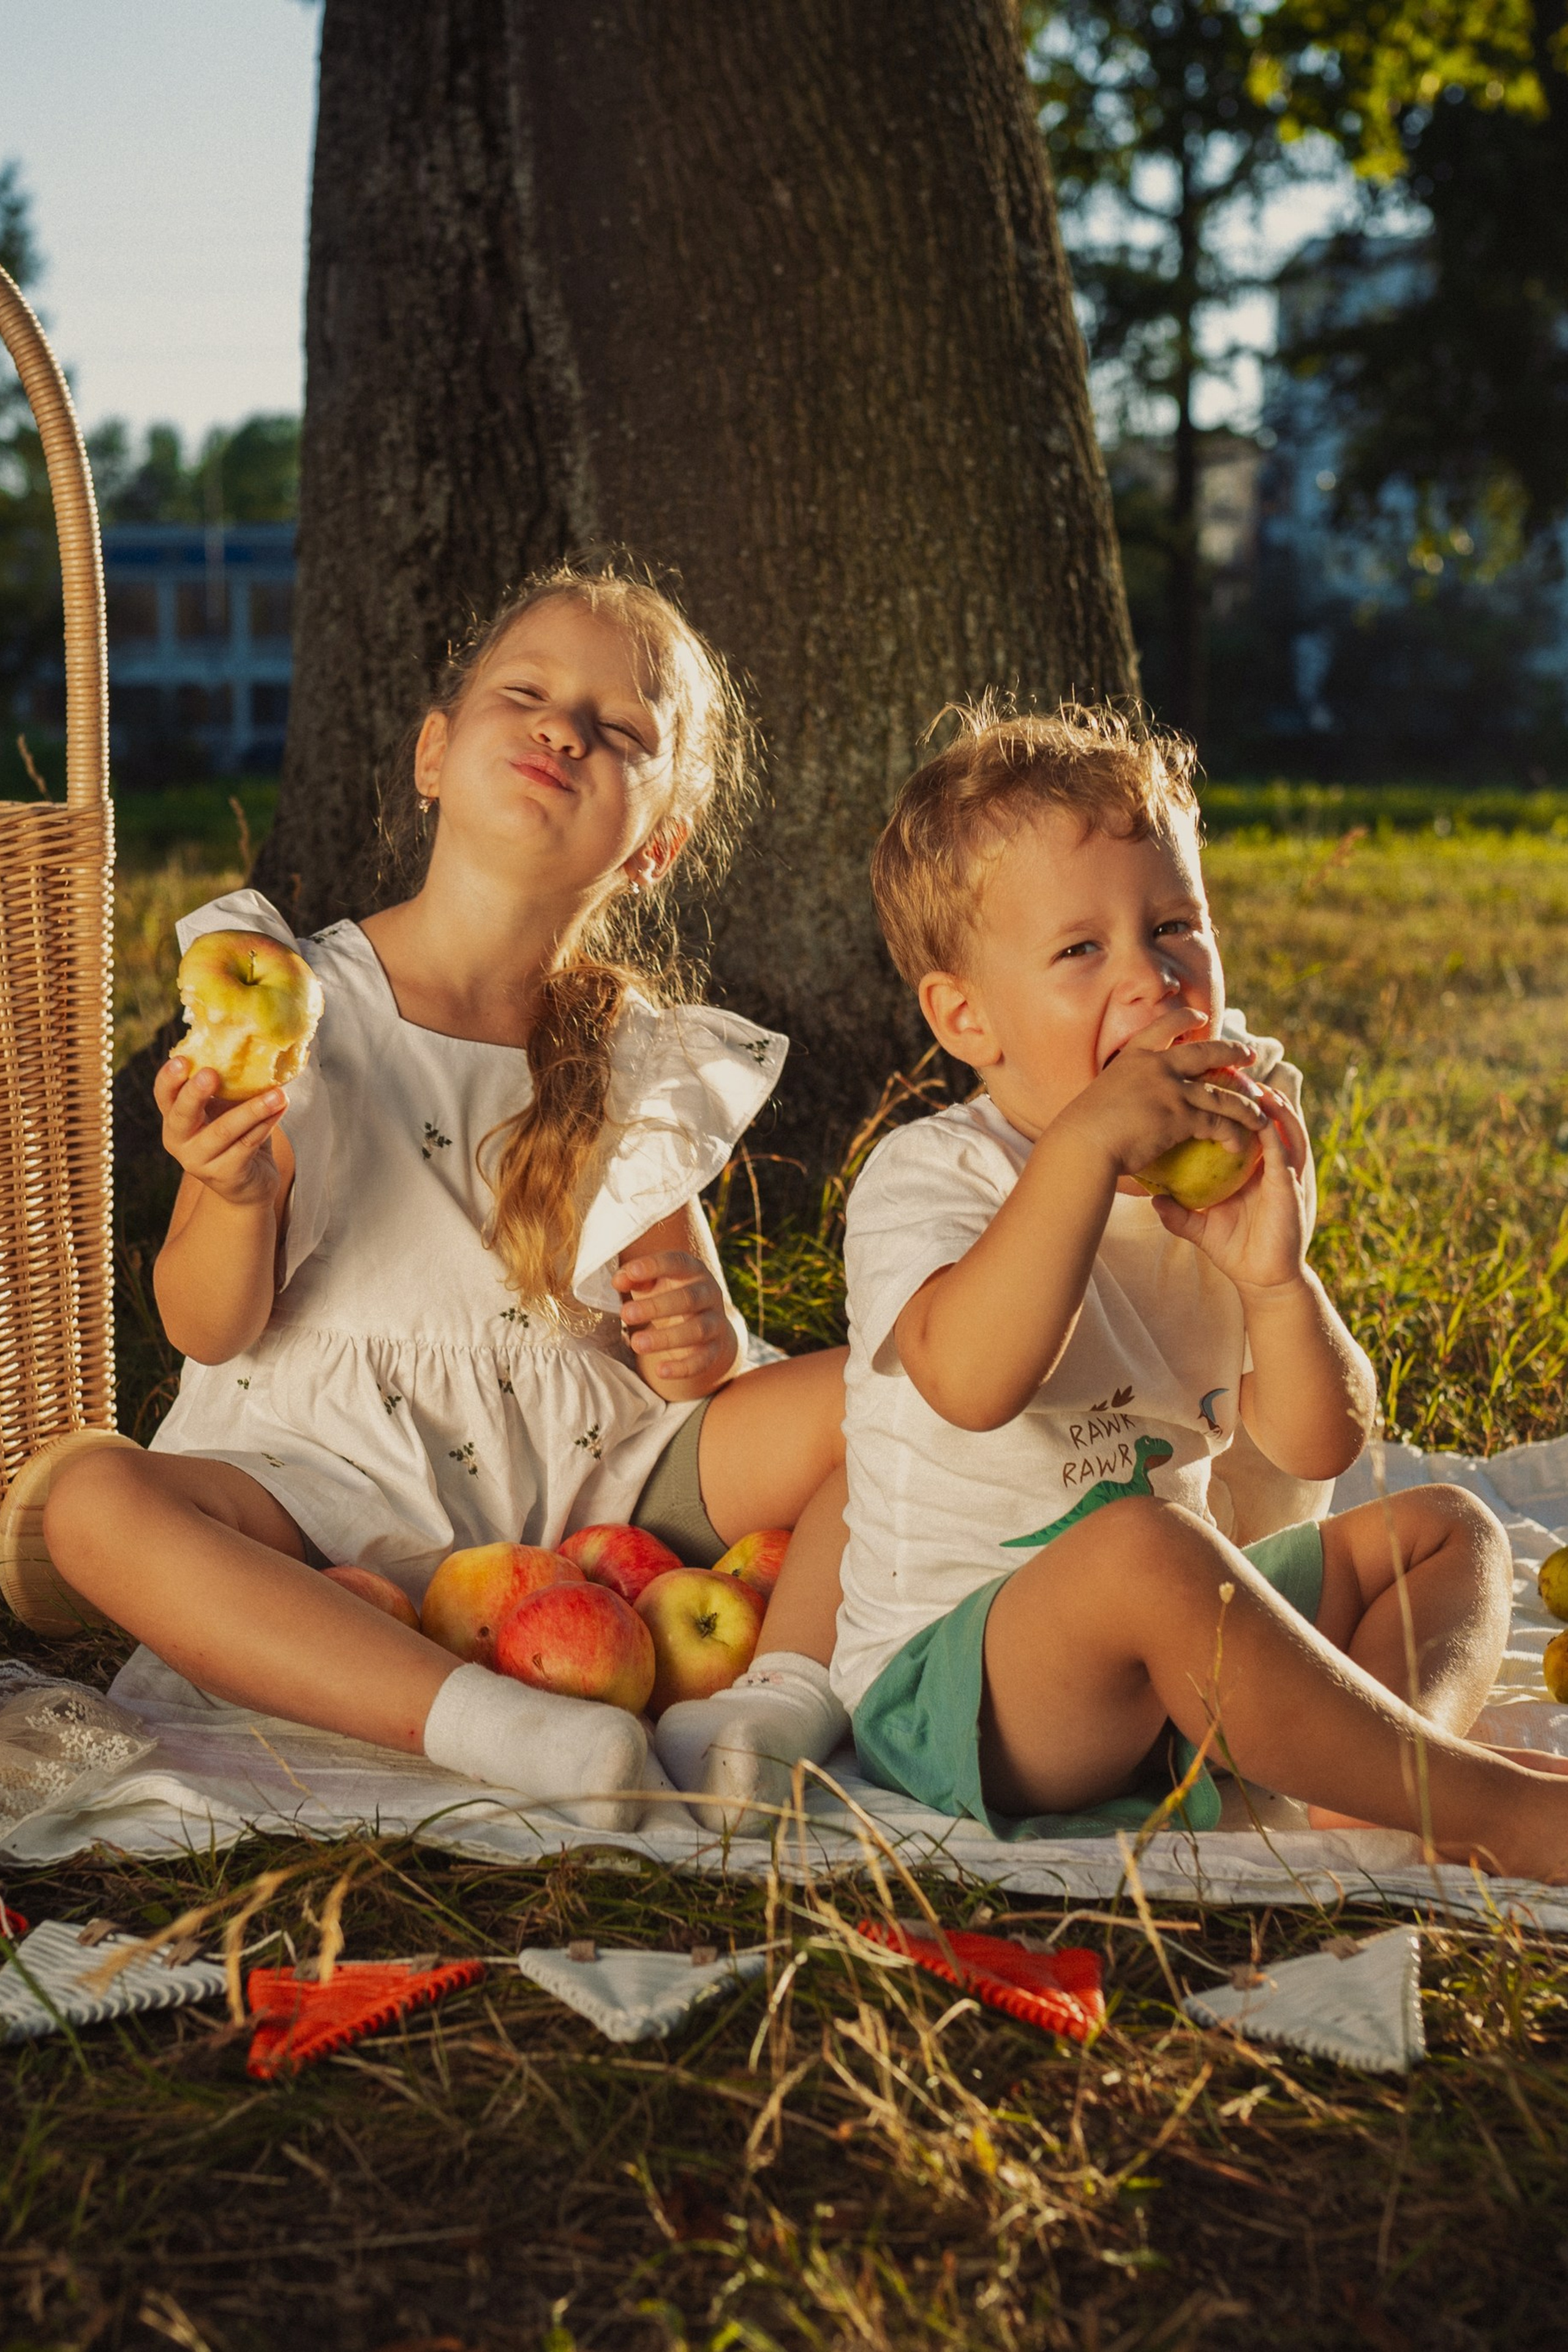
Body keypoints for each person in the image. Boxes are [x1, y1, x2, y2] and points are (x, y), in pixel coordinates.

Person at [41, 563, 847, 1830]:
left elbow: (689, 1341)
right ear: (432, 755)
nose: (562, 730)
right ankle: (501, 1726)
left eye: (619, 729)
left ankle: (770, 1710)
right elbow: (205, 1327)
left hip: (602, 1492)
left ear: (658, 846)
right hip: (325, 1488)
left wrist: (700, 1339)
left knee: (895, 1391)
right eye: (525, 694)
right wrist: (229, 1190)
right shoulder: (294, 1006)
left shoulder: (636, 1055)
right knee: (92, 1504)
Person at [724, 699, 1568, 1876]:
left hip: (1182, 1650)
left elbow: (1319, 1447)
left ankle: (1379, 1774)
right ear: (968, 1017)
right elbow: (972, 1382)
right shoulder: (932, 1176)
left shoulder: (1224, 1155)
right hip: (971, 1689)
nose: (1152, 975)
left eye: (1174, 926)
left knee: (1450, 1534)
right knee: (1145, 1547)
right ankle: (1491, 1806)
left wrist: (1277, 1279)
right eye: (1082, 951)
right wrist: (1084, 1150)